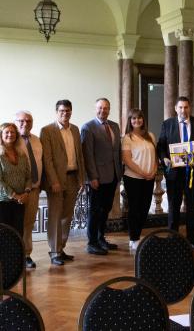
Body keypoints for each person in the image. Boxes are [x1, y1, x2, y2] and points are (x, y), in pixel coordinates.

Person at [157, 96, 194, 249]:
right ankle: (172, 237)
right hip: (174, 174)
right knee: (174, 205)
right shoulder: (167, 124)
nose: (183, 110)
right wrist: (164, 159)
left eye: (186, 107)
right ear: (175, 108)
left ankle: (192, 238)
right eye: (180, 107)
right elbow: (160, 146)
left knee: (193, 206)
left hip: (193, 172)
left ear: (189, 108)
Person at [40, 100, 85, 266]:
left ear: (71, 112)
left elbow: (79, 156)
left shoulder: (75, 129)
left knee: (67, 216)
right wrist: (53, 181)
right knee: (55, 216)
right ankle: (54, 251)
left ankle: (61, 248)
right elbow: (48, 159)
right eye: (62, 111)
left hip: (73, 177)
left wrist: (81, 179)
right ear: (56, 112)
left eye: (67, 111)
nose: (65, 113)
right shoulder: (47, 131)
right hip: (57, 180)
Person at [81, 98, 122, 255]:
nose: (102, 111)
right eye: (100, 108)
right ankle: (92, 242)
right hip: (97, 177)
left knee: (106, 209)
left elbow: (116, 151)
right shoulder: (88, 127)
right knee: (95, 210)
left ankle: (101, 238)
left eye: (106, 108)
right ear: (95, 108)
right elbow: (88, 155)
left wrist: (119, 174)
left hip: (112, 175)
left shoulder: (114, 126)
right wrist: (92, 177)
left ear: (109, 109)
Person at [122, 108, 157, 250]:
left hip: (149, 178)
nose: (137, 121)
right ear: (130, 121)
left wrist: (153, 171)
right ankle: (134, 237)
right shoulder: (127, 138)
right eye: (134, 118)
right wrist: (143, 173)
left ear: (143, 120)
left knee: (145, 208)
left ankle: (137, 233)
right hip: (133, 178)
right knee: (134, 209)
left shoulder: (151, 136)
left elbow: (155, 157)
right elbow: (127, 160)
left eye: (139, 118)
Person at [15, 111, 43, 269]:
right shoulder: (10, 140)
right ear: (15, 122)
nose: (25, 123)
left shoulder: (37, 140)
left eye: (28, 121)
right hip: (17, 192)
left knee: (29, 224)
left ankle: (26, 255)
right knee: (14, 224)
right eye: (21, 121)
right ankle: (13, 254)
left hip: (34, 189)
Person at [0, 123, 31, 236]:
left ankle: (18, 255)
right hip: (3, 202)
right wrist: (15, 195)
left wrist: (26, 193)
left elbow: (28, 176)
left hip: (21, 201)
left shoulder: (22, 154)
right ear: (1, 135)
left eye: (12, 132)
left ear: (16, 135)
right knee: (4, 235)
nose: (10, 134)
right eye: (6, 132)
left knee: (18, 234)